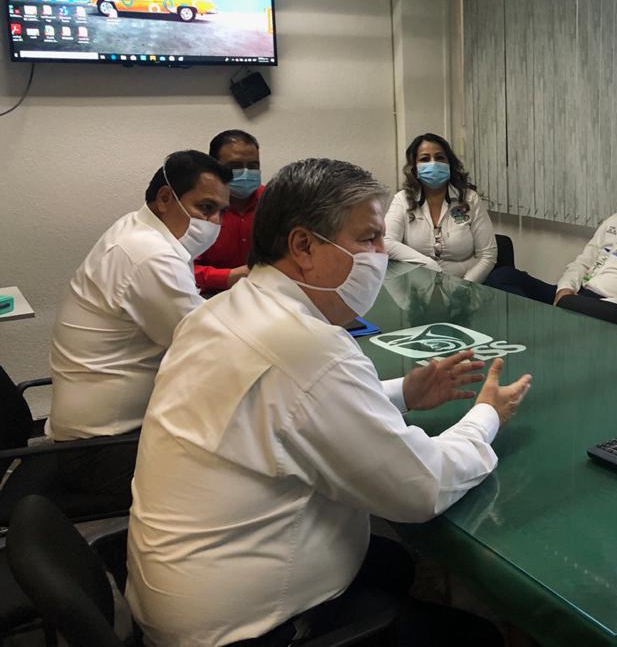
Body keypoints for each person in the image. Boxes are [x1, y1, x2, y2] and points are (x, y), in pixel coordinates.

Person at [126, 158, 531, 646]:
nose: (381, 254)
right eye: (368, 239)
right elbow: (422, 487)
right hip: (246, 631)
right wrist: (486, 416)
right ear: (303, 246)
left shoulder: (222, 311)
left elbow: (289, 409)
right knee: (475, 636)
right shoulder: (309, 350)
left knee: (394, 564)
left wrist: (404, 392)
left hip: (180, 593)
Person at [17, 151, 230, 517]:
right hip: (101, 453)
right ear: (166, 198)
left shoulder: (136, 229)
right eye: (206, 208)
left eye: (220, 212)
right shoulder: (150, 254)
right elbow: (208, 348)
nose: (214, 222)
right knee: (244, 465)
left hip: (91, 436)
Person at [487, 151, 617, 314]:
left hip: (614, 309)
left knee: (558, 314)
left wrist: (605, 306)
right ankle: (533, 326)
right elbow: (583, 262)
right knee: (503, 276)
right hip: (577, 295)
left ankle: (540, 325)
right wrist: (565, 290)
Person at [385, 133, 497, 283]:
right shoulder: (402, 199)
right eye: (425, 159)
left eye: (439, 157)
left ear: (449, 163)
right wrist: (429, 264)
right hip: (418, 288)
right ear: (415, 168)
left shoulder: (470, 199)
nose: (433, 164)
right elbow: (386, 242)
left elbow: (488, 255)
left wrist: (465, 286)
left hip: (464, 286)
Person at [194, 129, 264, 295]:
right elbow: (183, 267)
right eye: (235, 166)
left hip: (265, 291)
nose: (246, 173)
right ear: (214, 167)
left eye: (253, 166)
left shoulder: (274, 201)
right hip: (214, 295)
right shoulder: (197, 207)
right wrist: (227, 276)